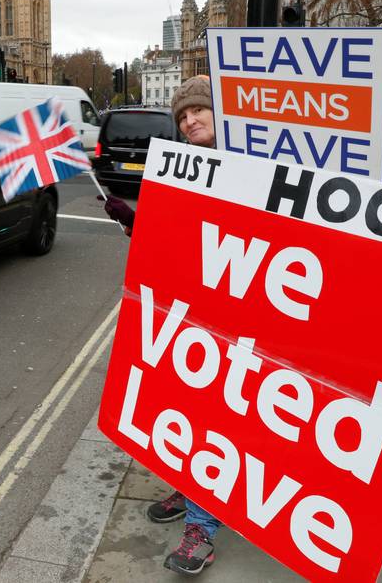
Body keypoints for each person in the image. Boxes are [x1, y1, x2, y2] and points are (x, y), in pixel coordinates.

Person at [103, 75, 221, 577]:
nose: (189, 120)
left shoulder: (256, 166)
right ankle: (191, 489)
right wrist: (134, 222)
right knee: (188, 415)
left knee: (221, 423)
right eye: (182, 116)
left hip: (232, 323)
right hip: (187, 313)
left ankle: (203, 528)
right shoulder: (187, 169)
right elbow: (179, 241)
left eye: (198, 111)